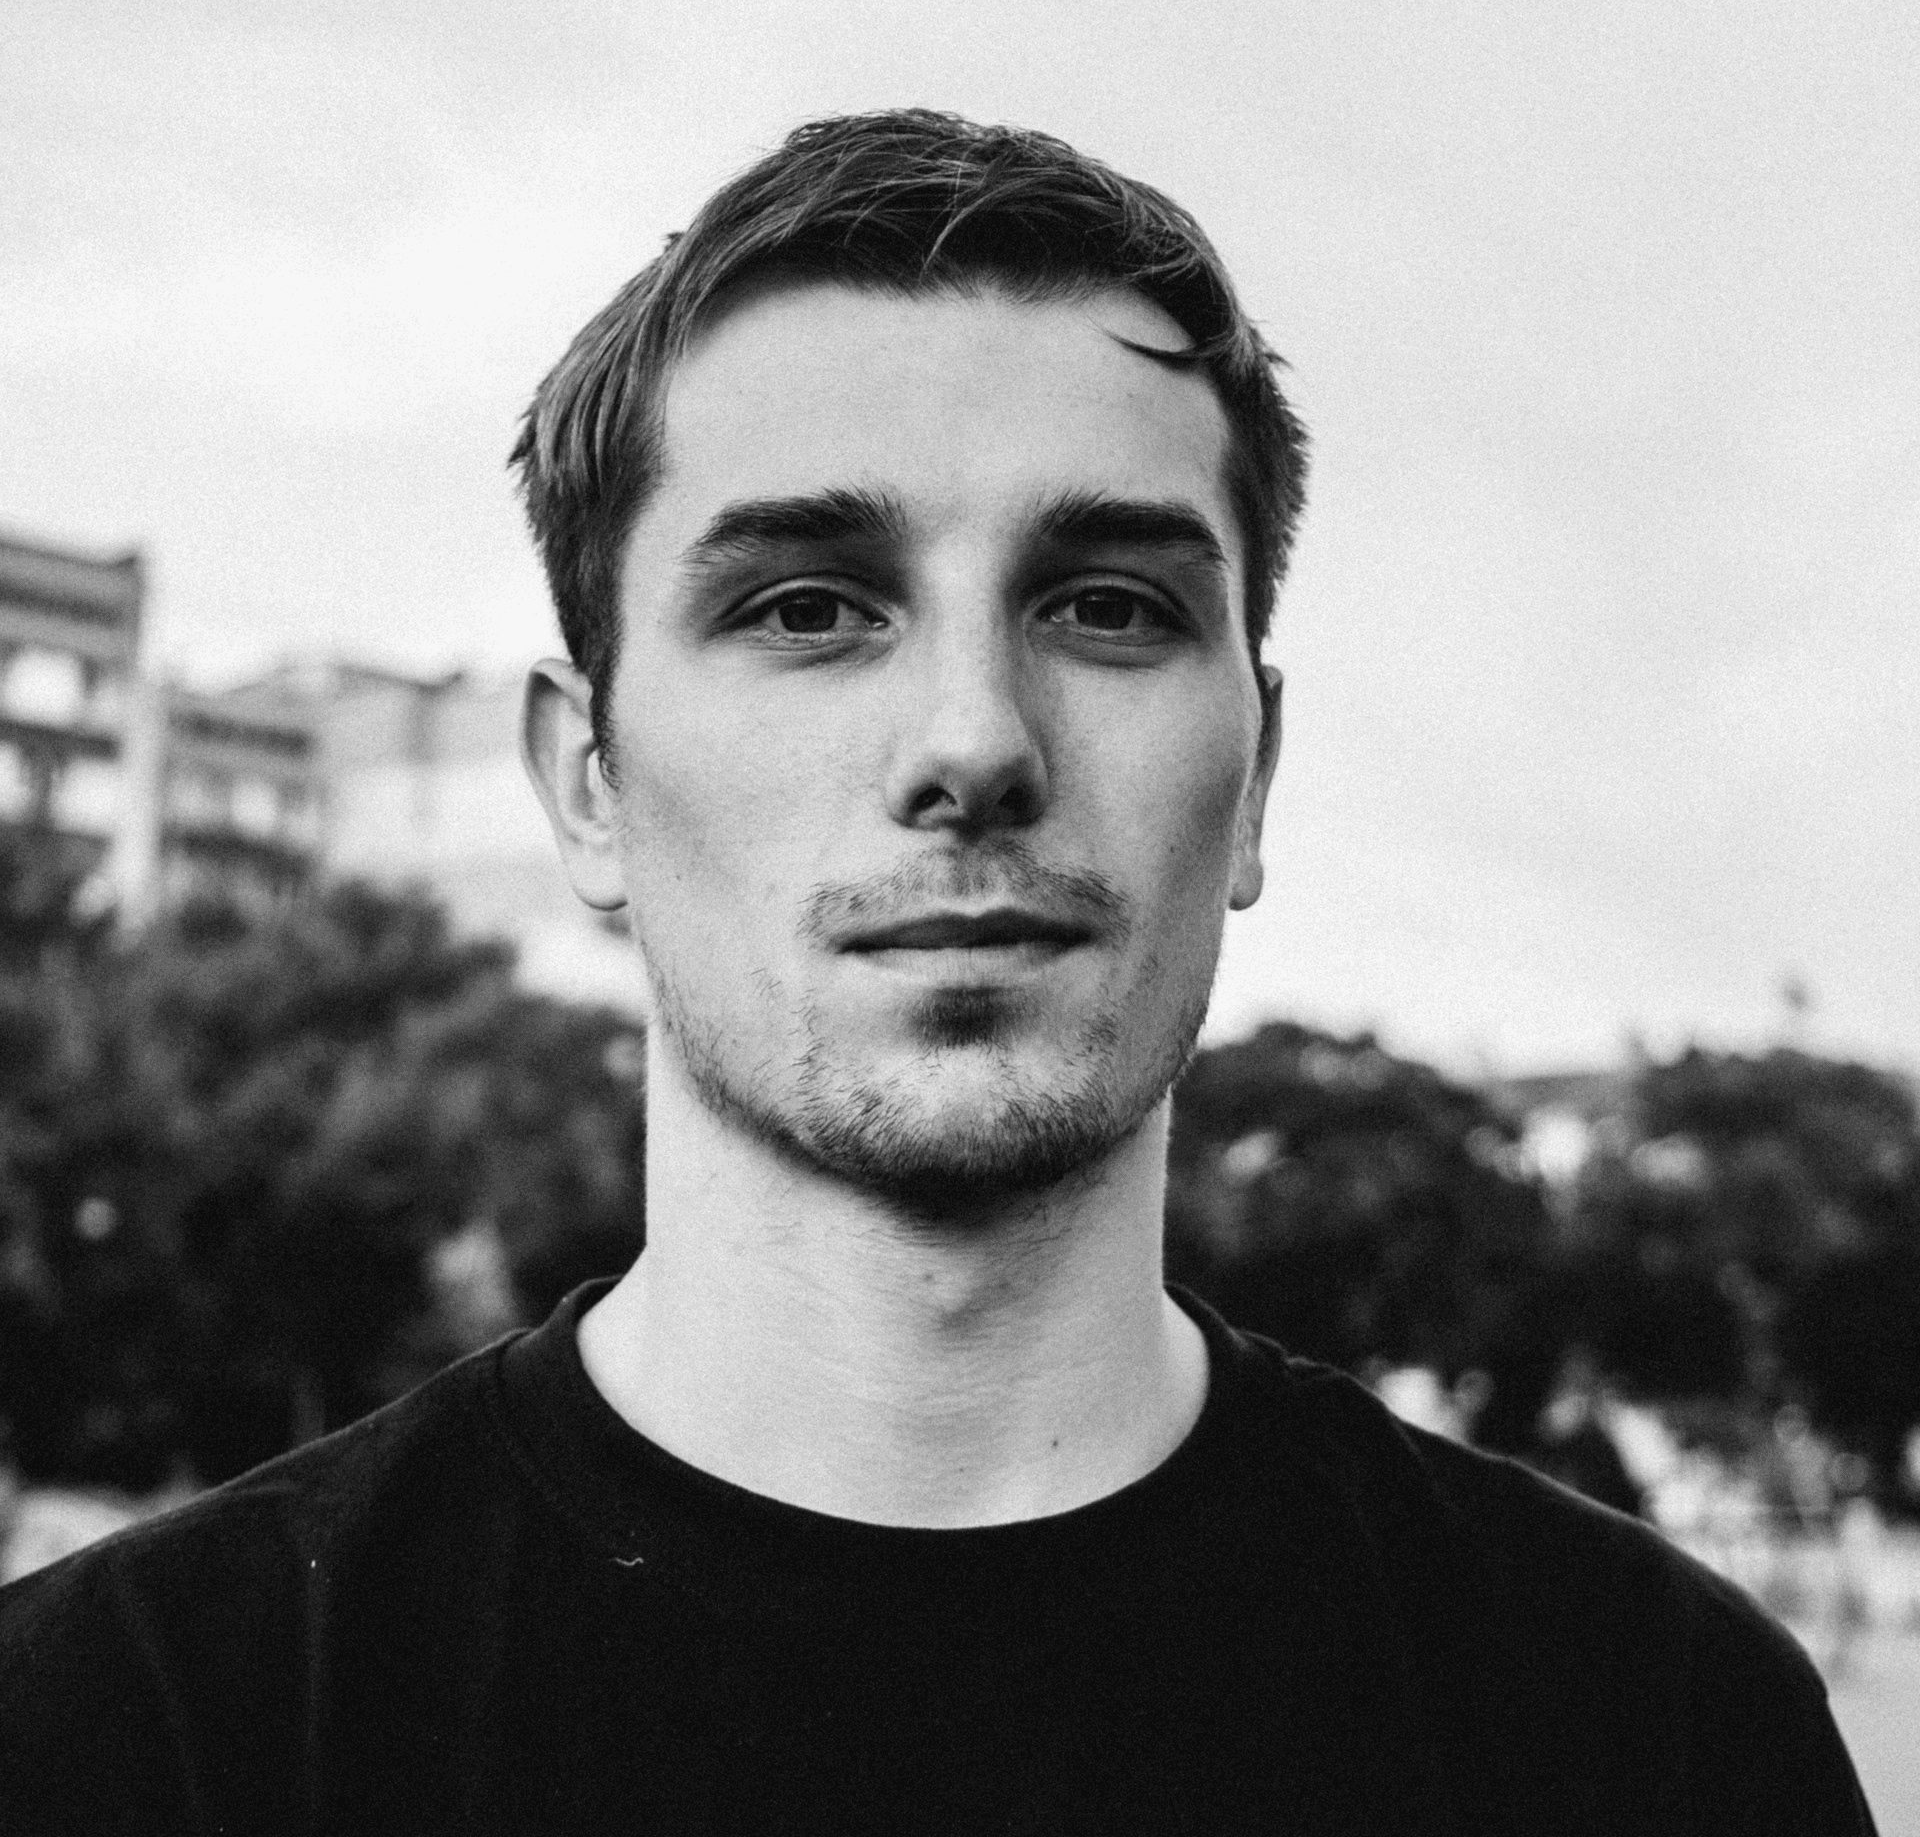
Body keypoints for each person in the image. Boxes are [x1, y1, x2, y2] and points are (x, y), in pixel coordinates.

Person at [0, 110, 1876, 1835]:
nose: (972, 740)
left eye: (1110, 606)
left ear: (1255, 786)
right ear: (588, 780)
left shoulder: (1653, 1736)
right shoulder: (124, 1738)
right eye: (808, 607)